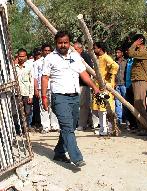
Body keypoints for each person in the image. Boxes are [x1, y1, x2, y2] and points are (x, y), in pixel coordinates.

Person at [41, 31, 100, 167]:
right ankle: (76, 157)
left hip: (74, 97)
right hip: (59, 97)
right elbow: (45, 78)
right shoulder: (50, 58)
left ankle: (59, 152)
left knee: (71, 126)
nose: (63, 45)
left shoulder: (75, 56)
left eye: (65, 42)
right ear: (56, 43)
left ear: (69, 43)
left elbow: (83, 74)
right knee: (67, 127)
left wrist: (94, 87)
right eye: (60, 43)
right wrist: (44, 97)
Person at [91, 42, 119, 136]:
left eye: (95, 48)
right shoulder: (97, 58)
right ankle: (103, 128)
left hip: (105, 86)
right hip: (98, 86)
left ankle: (107, 129)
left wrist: (109, 76)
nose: (94, 50)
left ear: (100, 49)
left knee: (104, 108)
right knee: (100, 108)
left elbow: (115, 66)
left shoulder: (106, 57)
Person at [127, 34, 147, 135]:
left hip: (141, 80)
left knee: (140, 104)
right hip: (137, 80)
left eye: (135, 41)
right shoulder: (139, 52)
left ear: (139, 41)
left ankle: (146, 128)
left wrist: (134, 44)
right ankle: (141, 126)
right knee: (137, 105)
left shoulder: (143, 52)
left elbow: (130, 53)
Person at [33, 43, 59, 133]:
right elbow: (35, 77)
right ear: (42, 51)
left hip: (53, 87)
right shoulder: (37, 62)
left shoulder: (55, 60)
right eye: (45, 50)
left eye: (49, 50)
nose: (47, 52)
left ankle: (54, 125)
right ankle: (45, 126)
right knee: (43, 107)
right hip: (42, 88)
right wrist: (36, 88)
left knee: (54, 106)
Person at [73, 41, 94, 130]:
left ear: (80, 49)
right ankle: (88, 122)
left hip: (83, 84)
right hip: (76, 83)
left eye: (76, 49)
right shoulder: (73, 57)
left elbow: (88, 69)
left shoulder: (85, 56)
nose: (74, 51)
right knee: (82, 104)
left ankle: (82, 124)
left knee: (83, 105)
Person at [14, 49, 34, 130]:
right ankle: (19, 128)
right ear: (17, 56)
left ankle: (26, 126)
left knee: (27, 111)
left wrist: (30, 95)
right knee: (17, 111)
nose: (21, 58)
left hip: (26, 93)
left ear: (26, 57)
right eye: (20, 56)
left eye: (23, 56)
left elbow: (31, 81)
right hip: (16, 93)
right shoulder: (13, 67)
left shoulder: (29, 67)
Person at [115, 47, 127, 125]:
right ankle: (119, 119)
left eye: (118, 52)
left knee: (125, 102)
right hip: (116, 84)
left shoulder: (126, 62)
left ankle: (126, 119)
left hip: (124, 84)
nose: (117, 54)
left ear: (122, 53)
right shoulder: (114, 62)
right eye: (116, 52)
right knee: (117, 102)